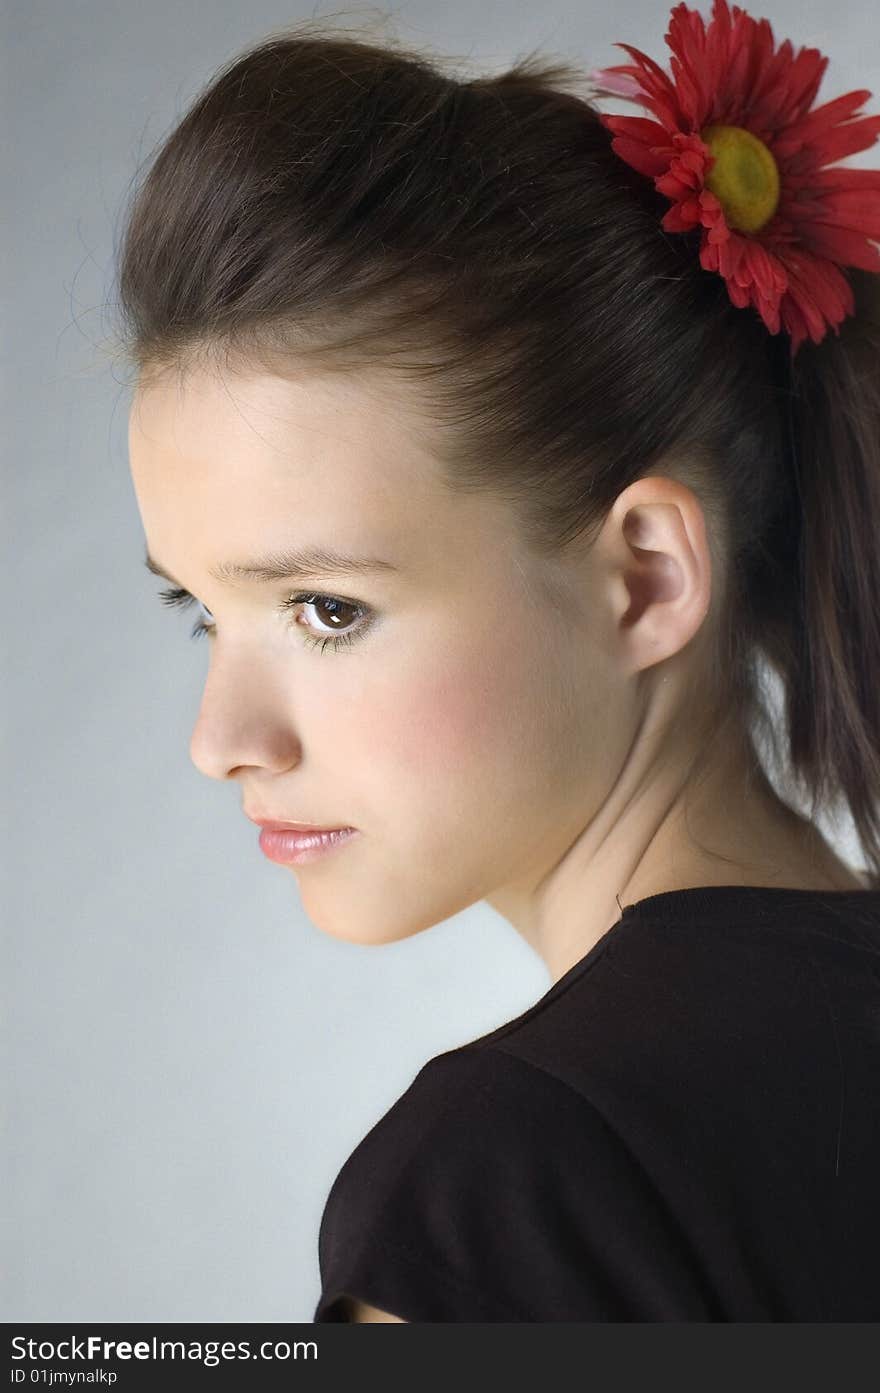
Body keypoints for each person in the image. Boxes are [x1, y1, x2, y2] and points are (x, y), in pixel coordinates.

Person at [117, 0, 880, 1321]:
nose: (223, 735)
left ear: (645, 576)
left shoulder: (515, 1180)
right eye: (202, 611)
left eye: (325, 609)